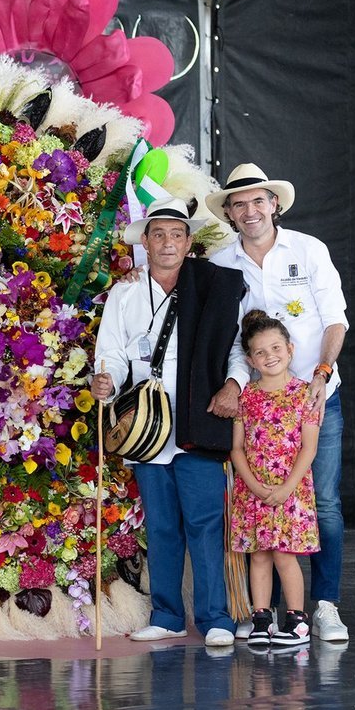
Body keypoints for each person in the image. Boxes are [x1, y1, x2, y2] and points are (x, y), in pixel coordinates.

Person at [90, 197, 248, 647]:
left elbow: (235, 347)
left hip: (199, 418)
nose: (167, 242)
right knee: (160, 525)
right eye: (158, 234)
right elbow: (113, 352)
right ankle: (167, 615)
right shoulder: (125, 292)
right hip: (145, 424)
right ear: (145, 240)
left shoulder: (213, 285)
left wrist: (234, 384)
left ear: (189, 241)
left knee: (204, 522)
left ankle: (216, 618)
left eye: (176, 234)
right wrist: (106, 379)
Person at [206, 163, 350, 642]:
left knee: (323, 503)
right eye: (239, 203)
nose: (250, 211)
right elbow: (232, 340)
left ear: (275, 204)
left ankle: (323, 605)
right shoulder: (224, 264)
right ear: (229, 213)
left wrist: (321, 373)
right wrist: (233, 383)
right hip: (261, 410)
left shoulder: (308, 250)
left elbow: (336, 320)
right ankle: (262, 612)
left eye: (258, 200)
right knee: (259, 510)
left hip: (314, 399)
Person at [230, 310, 321, 648]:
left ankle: (297, 622)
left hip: (291, 490)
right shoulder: (246, 397)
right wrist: (254, 485)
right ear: (251, 359)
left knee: (285, 555)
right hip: (252, 489)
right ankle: (262, 618)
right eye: (261, 352)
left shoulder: (304, 395)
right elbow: (237, 449)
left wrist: (285, 488)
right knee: (259, 555)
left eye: (276, 348)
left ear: (290, 349)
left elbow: (309, 449)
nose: (270, 356)